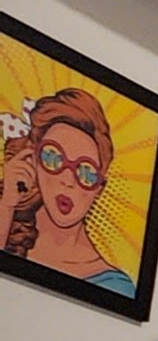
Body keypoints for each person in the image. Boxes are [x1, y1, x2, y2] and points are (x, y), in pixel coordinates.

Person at [0, 86, 135, 295]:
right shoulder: (9, 227)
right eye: (53, 157)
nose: (68, 180)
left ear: (99, 188)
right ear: (32, 159)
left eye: (86, 172)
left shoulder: (116, 287)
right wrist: (7, 204)